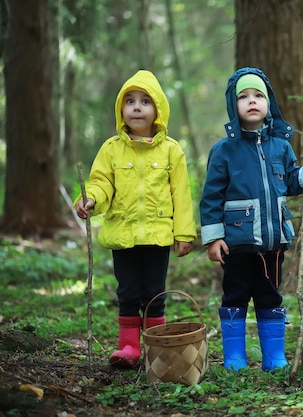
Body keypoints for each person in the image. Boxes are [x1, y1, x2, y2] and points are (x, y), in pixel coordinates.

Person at [200, 67, 303, 372]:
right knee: (234, 295)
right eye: (244, 96)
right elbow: (211, 197)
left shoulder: (280, 146)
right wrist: (213, 238)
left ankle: (274, 357)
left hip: (273, 243)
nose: (252, 101)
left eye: (258, 95)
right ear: (233, 105)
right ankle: (235, 357)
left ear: (268, 103)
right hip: (235, 244)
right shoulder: (223, 151)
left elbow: (291, 182)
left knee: (270, 295)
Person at [75, 70, 196, 368]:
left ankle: (156, 347)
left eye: (145, 101)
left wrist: (184, 233)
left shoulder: (171, 151)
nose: (137, 107)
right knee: (127, 292)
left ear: (158, 110)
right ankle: (129, 348)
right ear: (121, 110)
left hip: (157, 236)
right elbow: (102, 182)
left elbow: (181, 194)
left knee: (155, 293)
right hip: (123, 235)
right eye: (130, 101)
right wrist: (90, 199)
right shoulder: (111, 149)